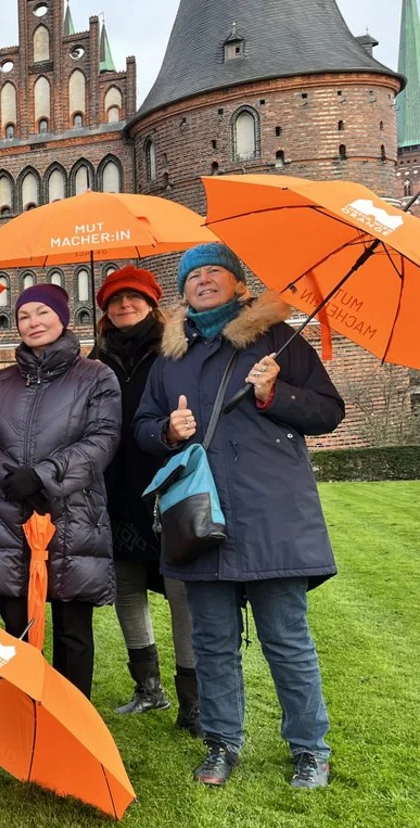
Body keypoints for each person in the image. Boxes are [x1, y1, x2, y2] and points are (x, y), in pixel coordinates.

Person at [134, 243, 344, 790]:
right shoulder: (170, 359)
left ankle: (310, 748)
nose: (203, 281)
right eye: (193, 276)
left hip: (271, 514)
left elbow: (328, 411)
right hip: (201, 518)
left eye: (214, 272)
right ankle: (222, 742)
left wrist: (276, 394)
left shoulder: (279, 340)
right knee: (212, 642)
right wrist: (166, 431)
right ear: (182, 290)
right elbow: (143, 427)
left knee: (287, 640)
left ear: (239, 283)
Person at [0, 284, 120, 698]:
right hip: (9, 518)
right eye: (24, 316)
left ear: (62, 318)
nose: (33, 323)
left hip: (72, 516)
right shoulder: (0, 383)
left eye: (42, 313)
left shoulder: (96, 377)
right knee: (16, 628)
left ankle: (69, 714)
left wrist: (43, 476)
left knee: (73, 631)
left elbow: (101, 440)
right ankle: (22, 709)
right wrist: (9, 476)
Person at [88, 268, 200, 736]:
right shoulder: (97, 358)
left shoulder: (176, 349)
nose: (124, 305)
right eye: (115, 300)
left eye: (133, 297)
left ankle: (193, 701)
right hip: (115, 482)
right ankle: (148, 687)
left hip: (166, 477)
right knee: (127, 586)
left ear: (152, 304)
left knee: (181, 590)